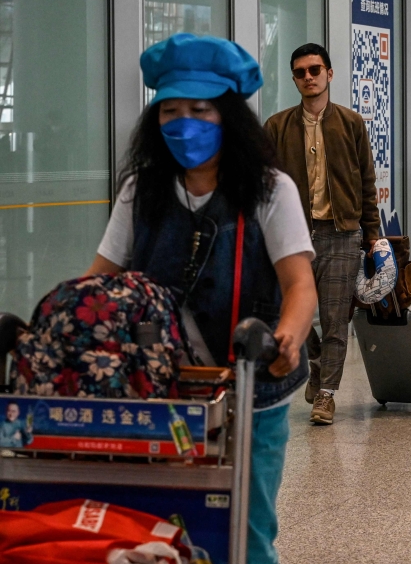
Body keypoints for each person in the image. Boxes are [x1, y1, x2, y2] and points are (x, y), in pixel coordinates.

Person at [86, 33, 317, 564]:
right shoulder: (141, 190)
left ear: (228, 117)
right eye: (171, 110)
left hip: (252, 387)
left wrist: (287, 336)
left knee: (246, 529)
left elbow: (299, 284)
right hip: (161, 388)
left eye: (200, 110)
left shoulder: (269, 189)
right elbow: (99, 281)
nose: (183, 123)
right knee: (156, 526)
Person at [264, 43, 379, 426]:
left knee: (334, 319)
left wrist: (373, 235)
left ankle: (326, 394)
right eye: (301, 72)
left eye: (315, 70)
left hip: (341, 234)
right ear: (294, 79)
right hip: (292, 238)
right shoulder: (277, 127)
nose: (308, 77)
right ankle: (314, 359)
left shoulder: (351, 123)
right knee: (283, 311)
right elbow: (264, 185)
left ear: (329, 73)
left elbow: (366, 182)